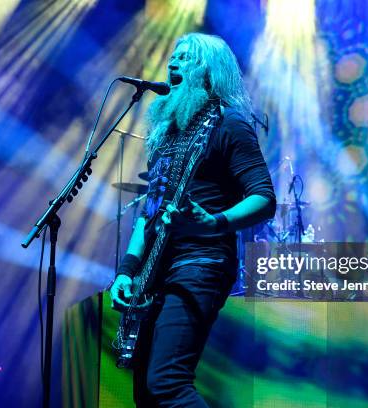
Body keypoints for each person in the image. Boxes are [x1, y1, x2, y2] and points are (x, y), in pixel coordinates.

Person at [110, 32, 276, 407]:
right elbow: (146, 214)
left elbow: (264, 198)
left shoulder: (228, 125)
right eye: (173, 55)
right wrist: (126, 270)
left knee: (167, 383)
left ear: (209, 70)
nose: (173, 62)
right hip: (154, 271)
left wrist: (214, 222)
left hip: (200, 261)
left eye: (186, 57)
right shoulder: (165, 137)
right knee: (146, 396)